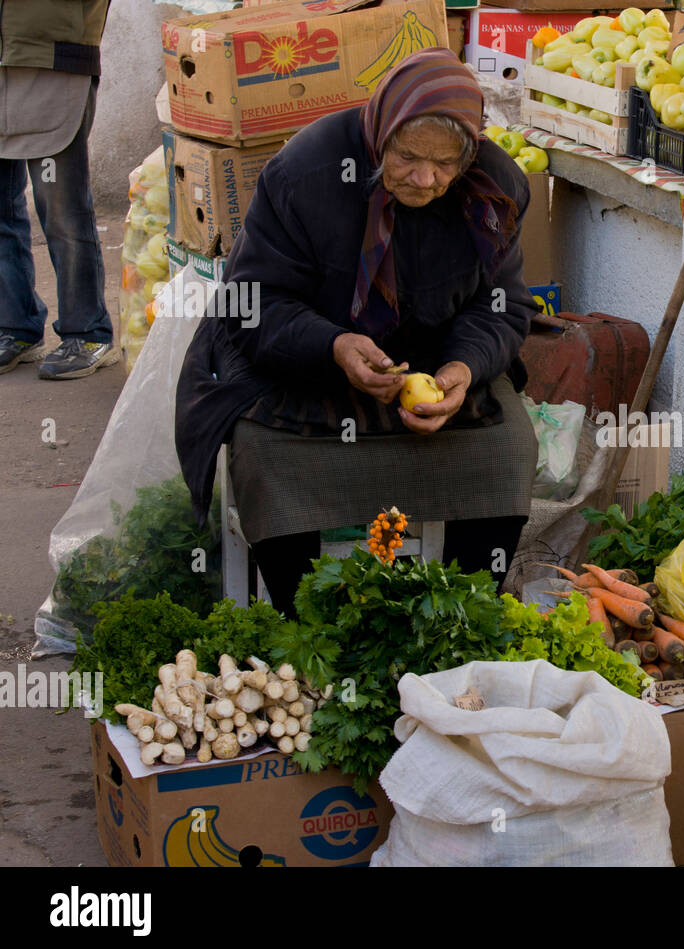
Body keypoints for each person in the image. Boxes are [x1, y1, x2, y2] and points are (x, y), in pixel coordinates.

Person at [176, 49, 538, 615]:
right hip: (298, 358)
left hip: (427, 361)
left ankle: (459, 618)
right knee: (270, 460)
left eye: (446, 165)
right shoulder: (306, 172)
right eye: (409, 157)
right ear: (380, 132)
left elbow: (502, 306)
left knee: (506, 446)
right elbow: (252, 303)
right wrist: (335, 346)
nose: (427, 179)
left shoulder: (494, 188)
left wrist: (463, 368)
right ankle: (307, 625)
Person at [0, 0, 118, 378]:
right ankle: (16, 327)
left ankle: (86, 332)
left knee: (62, 211)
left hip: (51, 57)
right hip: (6, 59)